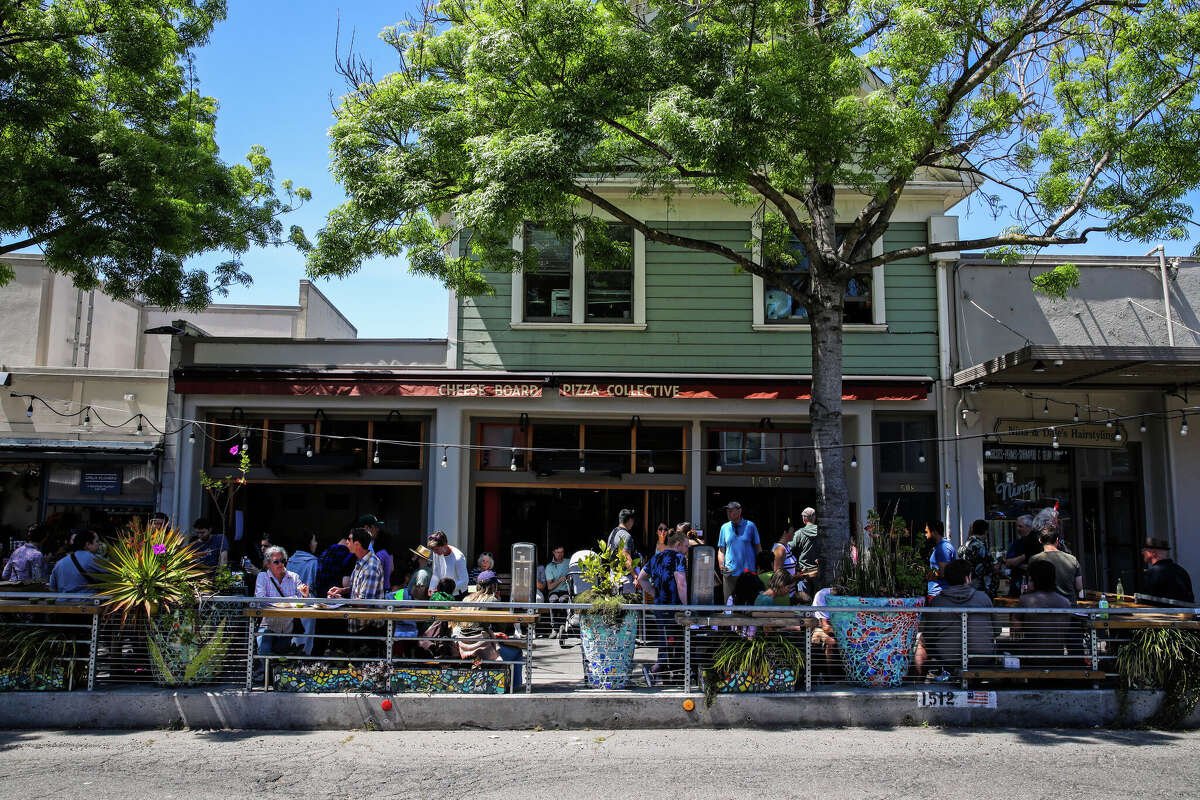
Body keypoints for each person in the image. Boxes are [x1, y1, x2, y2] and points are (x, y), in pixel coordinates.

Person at [918, 559, 996, 675]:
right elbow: (997, 630)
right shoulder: (983, 598)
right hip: (982, 659)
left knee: (920, 643)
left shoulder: (938, 601)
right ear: (967, 578)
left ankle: (918, 680)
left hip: (948, 661)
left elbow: (929, 635)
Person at [452, 570, 523, 687]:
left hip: (464, 646)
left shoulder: (466, 599)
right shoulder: (492, 600)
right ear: (494, 586)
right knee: (517, 653)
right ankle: (515, 687)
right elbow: (502, 627)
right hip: (482, 647)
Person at [636, 530, 689, 684]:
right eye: (686, 546)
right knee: (674, 639)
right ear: (678, 545)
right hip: (674, 606)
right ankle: (658, 670)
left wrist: (654, 592)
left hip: (659, 605)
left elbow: (641, 579)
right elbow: (681, 583)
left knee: (665, 637)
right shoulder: (679, 558)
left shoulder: (656, 557)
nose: (687, 550)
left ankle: (663, 670)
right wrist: (686, 606)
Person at [1012, 559, 1076, 665]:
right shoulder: (1065, 602)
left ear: (1033, 580)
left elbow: (1016, 629)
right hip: (1057, 657)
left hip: (1031, 658)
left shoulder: (1025, 600)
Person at [328, 528, 386, 640]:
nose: (346, 542)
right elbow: (358, 587)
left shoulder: (370, 567)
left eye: (349, 539)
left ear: (357, 544)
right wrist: (342, 590)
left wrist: (341, 601)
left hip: (367, 629)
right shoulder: (361, 561)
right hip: (359, 625)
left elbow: (364, 603)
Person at [253, 546, 309, 655]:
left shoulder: (294, 577)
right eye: (276, 562)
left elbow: (302, 603)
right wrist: (291, 600)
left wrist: (305, 595)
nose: (280, 564)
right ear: (268, 564)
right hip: (268, 626)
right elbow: (260, 599)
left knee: (280, 660)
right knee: (264, 653)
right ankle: (263, 672)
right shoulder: (263, 577)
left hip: (287, 629)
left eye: (283, 561)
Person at [717, 501, 761, 599]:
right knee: (729, 604)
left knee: (748, 602)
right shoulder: (724, 527)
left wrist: (760, 566)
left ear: (739, 511)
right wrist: (721, 565)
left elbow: (758, 547)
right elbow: (721, 550)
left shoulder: (750, 526)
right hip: (730, 572)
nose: (728, 513)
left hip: (748, 572)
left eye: (731, 511)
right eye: (727, 511)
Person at [286, 534, 320, 654]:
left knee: (293, 637)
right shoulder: (314, 562)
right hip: (308, 603)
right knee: (306, 638)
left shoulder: (290, 560)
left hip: (291, 603)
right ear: (308, 543)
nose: (316, 544)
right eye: (314, 541)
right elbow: (315, 583)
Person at [1029, 528, 1082, 603]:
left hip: (1043, 606)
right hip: (1069, 606)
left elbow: (1031, 586)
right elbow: (1079, 587)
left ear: (1040, 540)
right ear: (1057, 540)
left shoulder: (1034, 559)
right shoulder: (1072, 559)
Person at [48, 528, 102, 593]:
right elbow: (113, 575)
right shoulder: (92, 558)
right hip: (86, 601)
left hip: (62, 601)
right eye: (97, 541)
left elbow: (52, 587)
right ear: (88, 544)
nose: (99, 544)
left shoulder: (59, 563)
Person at [1141, 538, 1195, 603]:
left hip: (1162, 612)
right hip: (1185, 612)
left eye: (1144, 550)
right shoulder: (1182, 571)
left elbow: (1146, 601)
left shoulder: (1152, 573)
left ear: (1153, 553)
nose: (1142, 553)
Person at [1003, 513, 1040, 597]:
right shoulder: (1017, 543)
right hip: (1017, 583)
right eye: (1017, 526)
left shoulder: (1038, 542)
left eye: (1020, 526)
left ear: (1029, 527)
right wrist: (1025, 556)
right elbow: (1008, 562)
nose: (1017, 529)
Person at [426, 530, 469, 596]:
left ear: (445, 545)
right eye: (433, 550)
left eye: (436, 549)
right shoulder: (437, 553)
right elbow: (436, 573)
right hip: (443, 593)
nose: (434, 552)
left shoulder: (458, 557)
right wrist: (431, 588)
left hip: (459, 595)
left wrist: (445, 589)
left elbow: (464, 581)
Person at [607, 508, 638, 594]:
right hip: (625, 581)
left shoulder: (612, 533)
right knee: (629, 606)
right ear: (630, 520)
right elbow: (626, 559)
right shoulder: (626, 535)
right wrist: (635, 576)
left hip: (613, 577)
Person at [959, 519, 994, 595]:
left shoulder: (964, 545)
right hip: (979, 587)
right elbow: (988, 567)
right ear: (985, 531)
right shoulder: (980, 546)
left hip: (966, 584)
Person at [790, 507, 820, 592]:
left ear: (804, 518)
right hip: (818, 571)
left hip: (804, 572)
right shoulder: (821, 532)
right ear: (814, 517)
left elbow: (789, 548)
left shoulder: (799, 533)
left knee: (805, 600)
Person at [544, 545, 571, 636]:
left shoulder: (568, 562)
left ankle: (563, 627)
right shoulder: (549, 567)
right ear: (553, 553)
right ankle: (554, 628)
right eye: (558, 552)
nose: (560, 554)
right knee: (553, 600)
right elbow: (549, 587)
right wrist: (560, 580)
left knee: (563, 600)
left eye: (562, 552)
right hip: (554, 592)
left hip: (566, 591)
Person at [925, 520, 956, 596]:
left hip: (939, 593)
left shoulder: (943, 548)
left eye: (927, 532)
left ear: (934, 532)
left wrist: (927, 575)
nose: (925, 535)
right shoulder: (940, 547)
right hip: (938, 592)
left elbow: (943, 572)